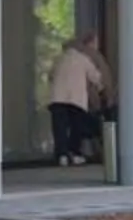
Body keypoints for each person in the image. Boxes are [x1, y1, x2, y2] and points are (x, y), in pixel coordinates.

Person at [46, 33, 112, 167]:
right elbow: (95, 77)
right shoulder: (83, 59)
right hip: (76, 99)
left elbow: (51, 76)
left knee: (59, 128)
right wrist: (101, 90)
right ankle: (74, 153)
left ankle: (62, 155)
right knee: (76, 127)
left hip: (57, 98)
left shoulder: (59, 59)